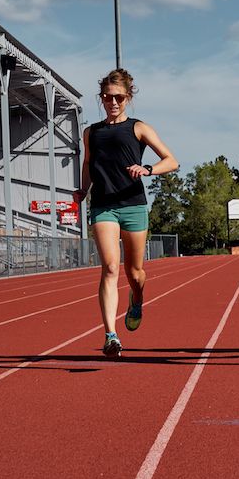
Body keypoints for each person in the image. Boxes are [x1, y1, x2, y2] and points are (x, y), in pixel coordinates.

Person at [73, 69, 178, 358]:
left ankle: (138, 298)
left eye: (118, 97)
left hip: (133, 205)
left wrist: (147, 169)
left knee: (135, 273)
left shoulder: (139, 128)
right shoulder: (91, 132)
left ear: (127, 98)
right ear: (102, 98)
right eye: (107, 97)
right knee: (109, 267)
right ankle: (110, 335)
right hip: (103, 205)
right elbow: (88, 164)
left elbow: (172, 160)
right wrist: (83, 191)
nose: (112, 102)